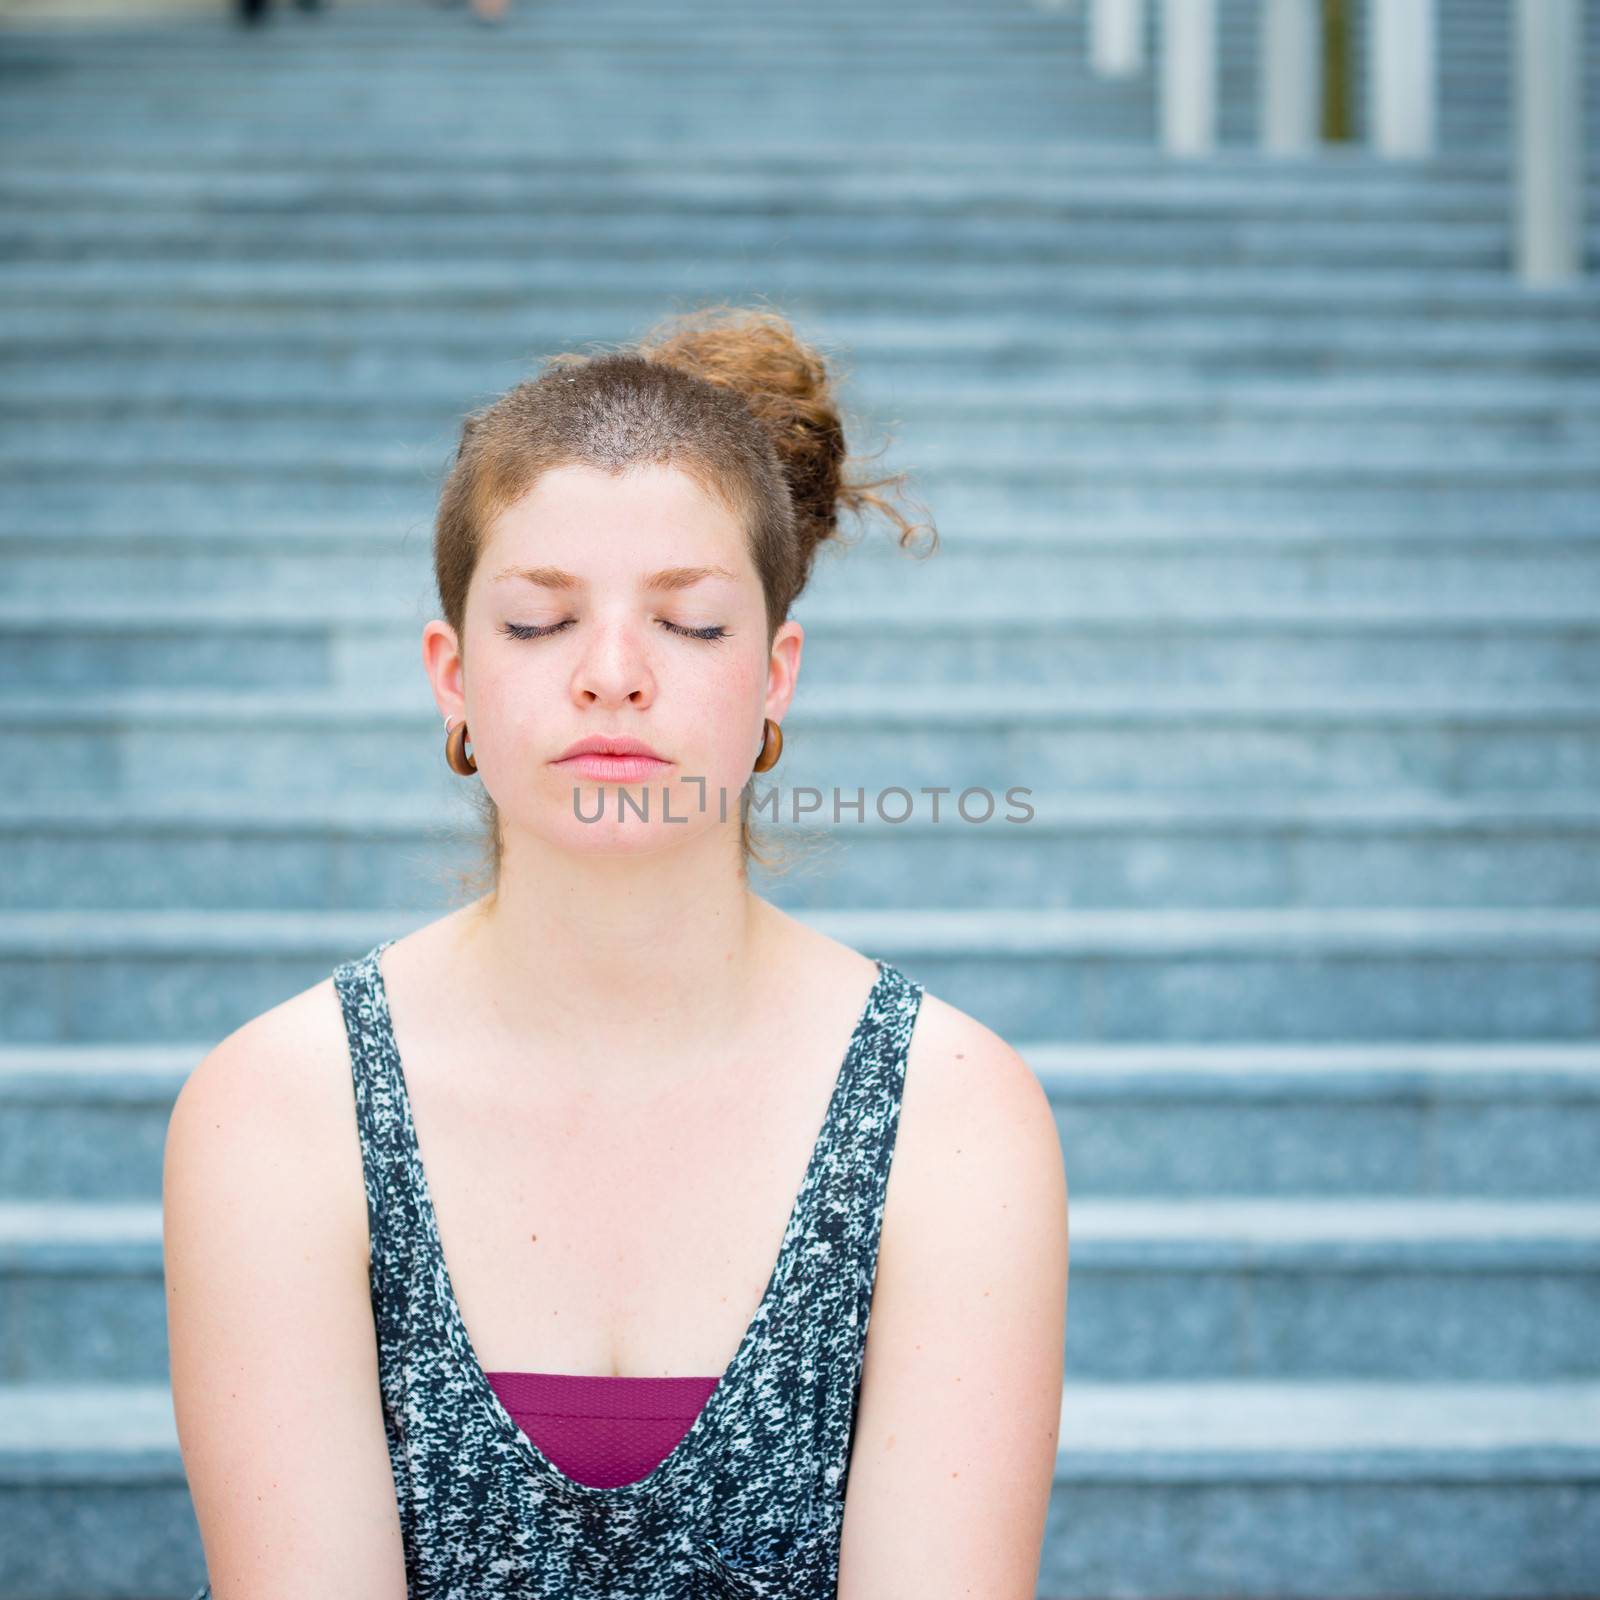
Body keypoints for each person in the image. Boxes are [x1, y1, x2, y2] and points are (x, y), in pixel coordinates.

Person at [163, 303, 1069, 1597]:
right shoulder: (277, 1109)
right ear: (452, 679)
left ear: (776, 677)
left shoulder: (954, 1113)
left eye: (690, 624)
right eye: (538, 623)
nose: (612, 676)